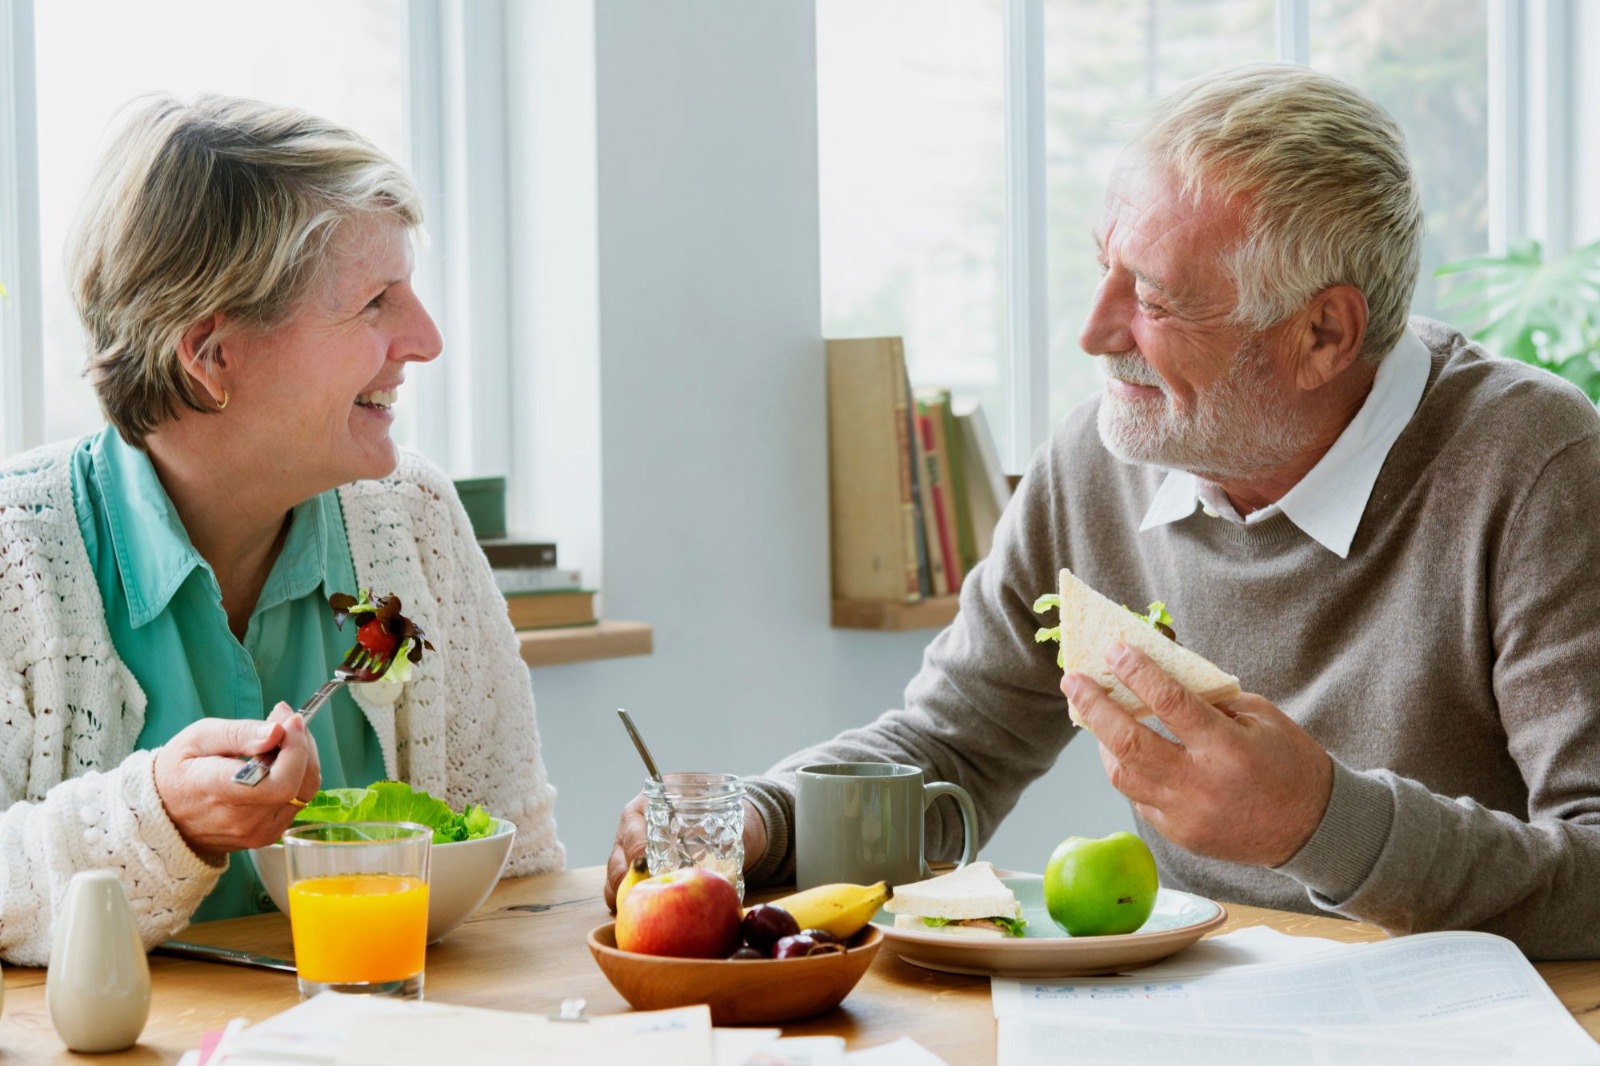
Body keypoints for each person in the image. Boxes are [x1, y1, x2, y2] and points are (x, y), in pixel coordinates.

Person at [607, 64, 1600, 958]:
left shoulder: (1535, 466)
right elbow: (954, 745)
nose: (1092, 332)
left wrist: (1319, 822)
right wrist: (764, 816)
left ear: (1323, 332)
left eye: (1156, 301)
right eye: (1101, 267)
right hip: (1200, 1010)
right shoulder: (1102, 454)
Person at [0, 95, 563, 966]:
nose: (426, 338)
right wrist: (157, 816)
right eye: (377, 300)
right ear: (211, 354)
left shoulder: (415, 519)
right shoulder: (15, 551)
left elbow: (517, 871)